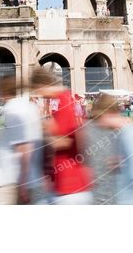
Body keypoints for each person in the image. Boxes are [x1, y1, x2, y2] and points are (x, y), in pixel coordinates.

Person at [31, 69, 93, 204]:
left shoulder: (63, 100)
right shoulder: (60, 99)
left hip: (70, 187)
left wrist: (43, 133)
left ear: (42, 85)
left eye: (37, 89)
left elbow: (67, 141)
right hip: (63, 184)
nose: (38, 94)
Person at [0, 76, 44, 205]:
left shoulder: (12, 110)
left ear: (3, 92)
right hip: (24, 178)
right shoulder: (29, 107)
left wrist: (22, 183)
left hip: (10, 180)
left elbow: (24, 147)